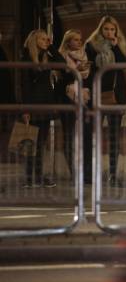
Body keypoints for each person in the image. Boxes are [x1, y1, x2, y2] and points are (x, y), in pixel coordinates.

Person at [85, 16, 126, 186]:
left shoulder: (121, 45)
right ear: (100, 30)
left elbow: (123, 65)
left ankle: (112, 174)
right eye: (106, 29)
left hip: (115, 95)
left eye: (112, 29)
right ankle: (90, 174)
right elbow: (88, 71)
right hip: (97, 94)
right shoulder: (91, 46)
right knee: (91, 134)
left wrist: (116, 46)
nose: (109, 32)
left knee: (114, 136)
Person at [20, 29, 63, 188]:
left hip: (47, 102)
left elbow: (62, 64)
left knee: (41, 143)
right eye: (43, 39)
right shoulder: (26, 58)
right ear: (35, 40)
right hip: (33, 103)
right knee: (31, 142)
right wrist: (25, 109)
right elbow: (24, 85)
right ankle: (29, 178)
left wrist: (51, 48)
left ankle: (38, 176)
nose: (47, 41)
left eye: (48, 39)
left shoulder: (46, 55)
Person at [58, 29, 91, 178]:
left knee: (84, 135)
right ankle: (74, 172)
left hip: (83, 99)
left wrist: (81, 70)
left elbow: (89, 78)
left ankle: (85, 171)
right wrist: (75, 70)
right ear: (68, 42)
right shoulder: (61, 57)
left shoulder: (84, 55)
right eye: (76, 39)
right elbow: (62, 80)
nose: (79, 42)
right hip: (67, 99)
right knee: (69, 135)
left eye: (80, 39)